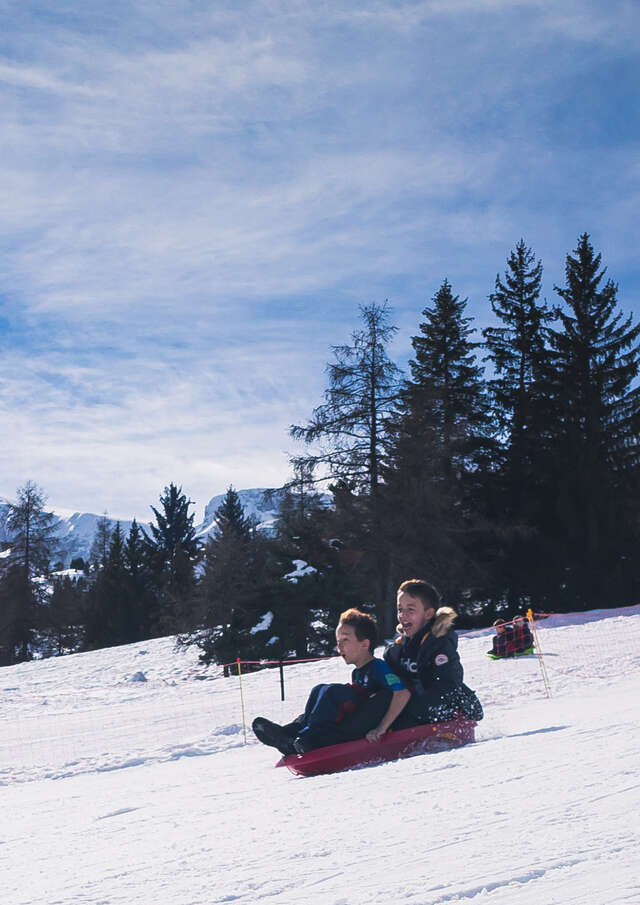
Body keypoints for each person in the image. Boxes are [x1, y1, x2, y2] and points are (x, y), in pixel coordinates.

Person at [252, 608, 411, 756]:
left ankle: (307, 738)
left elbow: (402, 692)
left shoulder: (379, 667)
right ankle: (288, 734)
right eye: (338, 641)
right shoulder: (357, 672)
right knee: (319, 690)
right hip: (355, 714)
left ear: (365, 644)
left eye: (345, 640)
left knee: (331, 692)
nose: (339, 646)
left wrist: (381, 728)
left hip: (366, 718)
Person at [383, 578, 483, 726]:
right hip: (414, 701)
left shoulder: (440, 645)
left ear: (428, 614)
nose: (403, 615)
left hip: (443, 705)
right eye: (400, 609)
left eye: (410, 610)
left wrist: (408, 710)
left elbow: (448, 685)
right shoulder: (398, 648)